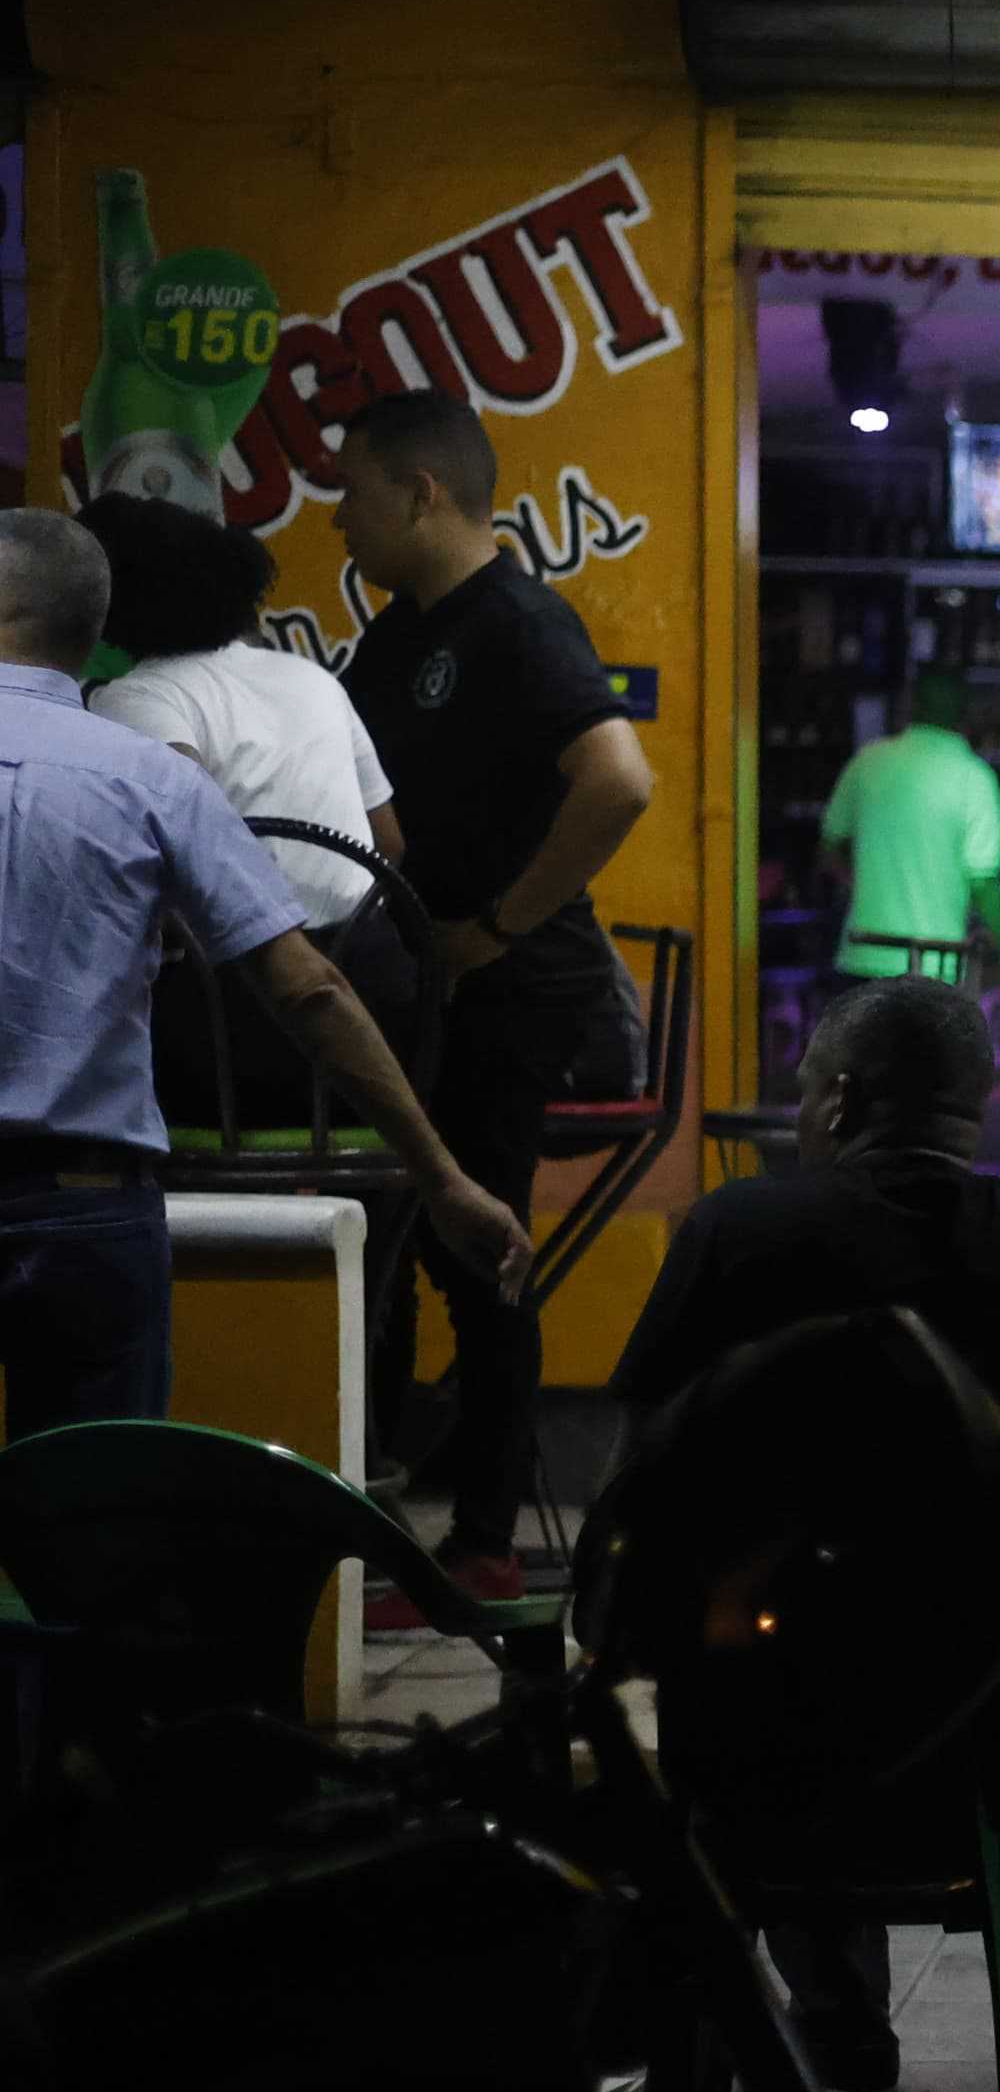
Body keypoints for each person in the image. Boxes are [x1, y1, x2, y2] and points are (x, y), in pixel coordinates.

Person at [612, 977, 1000, 2092]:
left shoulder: (735, 1235)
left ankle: (837, 2015)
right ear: (972, 1109)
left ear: (837, 1103)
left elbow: (640, 1502)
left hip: (777, 1743)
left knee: (761, 1634)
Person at [0, 508, 525, 1437]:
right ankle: (371, 1448)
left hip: (214, 1089)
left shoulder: (149, 710)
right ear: (90, 630)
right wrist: (438, 1174)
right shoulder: (200, 745)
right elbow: (346, 920)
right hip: (110, 1188)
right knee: (92, 1523)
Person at [336, 387, 654, 1608]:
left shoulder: (517, 619)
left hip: (518, 987)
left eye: (352, 491)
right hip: (426, 985)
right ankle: (391, 1526)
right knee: (400, 1241)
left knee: (479, 1247)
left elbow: (619, 782)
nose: (336, 520)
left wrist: (500, 926)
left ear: (421, 494)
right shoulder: (400, 630)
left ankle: (482, 1545)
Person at [78, 492, 423, 1110]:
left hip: (239, 1035)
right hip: (379, 1031)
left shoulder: (136, 697)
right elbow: (388, 846)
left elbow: (189, 855)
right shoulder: (310, 678)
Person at [820, 661, 1000, 995]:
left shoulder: (868, 762)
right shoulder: (974, 778)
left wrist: (861, 884)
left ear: (911, 704)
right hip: (936, 962)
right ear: (964, 712)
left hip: (863, 953)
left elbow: (828, 850)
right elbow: (985, 881)